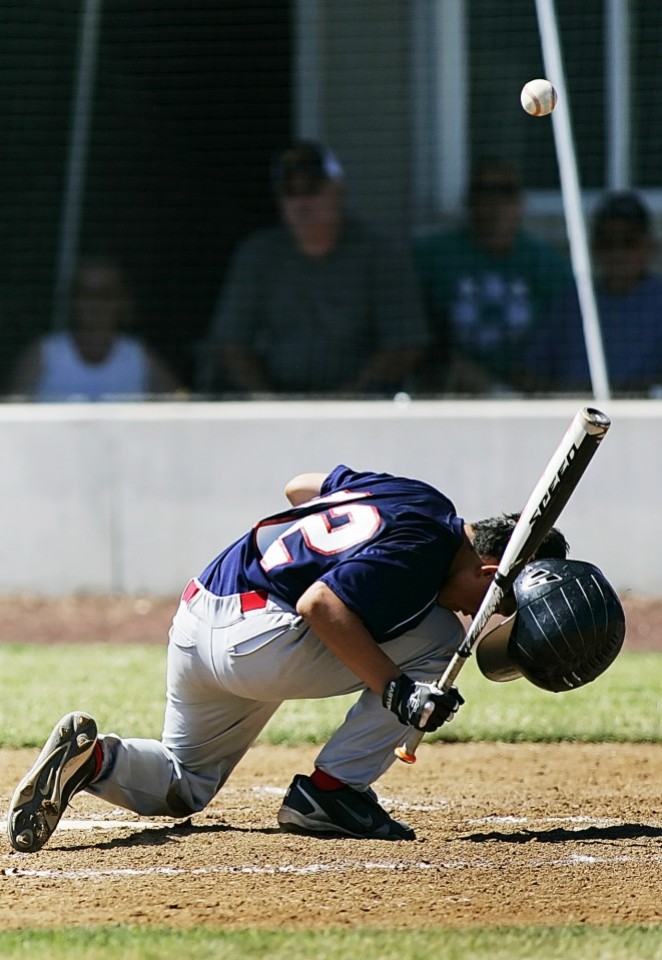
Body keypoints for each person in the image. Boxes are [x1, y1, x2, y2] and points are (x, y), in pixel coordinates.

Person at [7, 462, 570, 853]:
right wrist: (398, 690)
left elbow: (300, 487)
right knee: (443, 641)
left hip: (200, 611)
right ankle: (332, 795)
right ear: (491, 571)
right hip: (257, 640)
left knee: (186, 784)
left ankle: (95, 760)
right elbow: (320, 603)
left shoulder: (418, 498)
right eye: (497, 600)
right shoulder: (423, 556)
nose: (487, 616)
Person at [197, 141, 429, 396]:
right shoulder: (257, 255)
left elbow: (406, 345)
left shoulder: (381, 252)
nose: (302, 203)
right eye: (290, 191)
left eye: (312, 188)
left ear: (338, 189)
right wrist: (268, 400)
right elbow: (231, 342)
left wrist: (343, 401)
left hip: (365, 407)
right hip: (277, 406)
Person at [413, 157, 573, 394]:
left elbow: (566, 338)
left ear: (520, 202)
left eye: (505, 192)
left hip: (530, 392)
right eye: (483, 191)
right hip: (451, 390)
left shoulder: (548, 264)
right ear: (468, 201)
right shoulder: (431, 257)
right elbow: (412, 331)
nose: (494, 203)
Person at [523, 191, 662, 396]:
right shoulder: (572, 303)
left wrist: (629, 392)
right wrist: (565, 393)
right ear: (593, 248)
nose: (618, 252)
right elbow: (527, 371)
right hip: (573, 418)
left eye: (629, 242)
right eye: (607, 242)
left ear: (650, 246)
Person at [8, 256, 182, 401]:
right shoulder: (43, 356)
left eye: (105, 294)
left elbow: (182, 407)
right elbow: (12, 415)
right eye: (85, 292)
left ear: (122, 302)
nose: (95, 302)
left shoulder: (140, 359)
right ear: (72, 301)